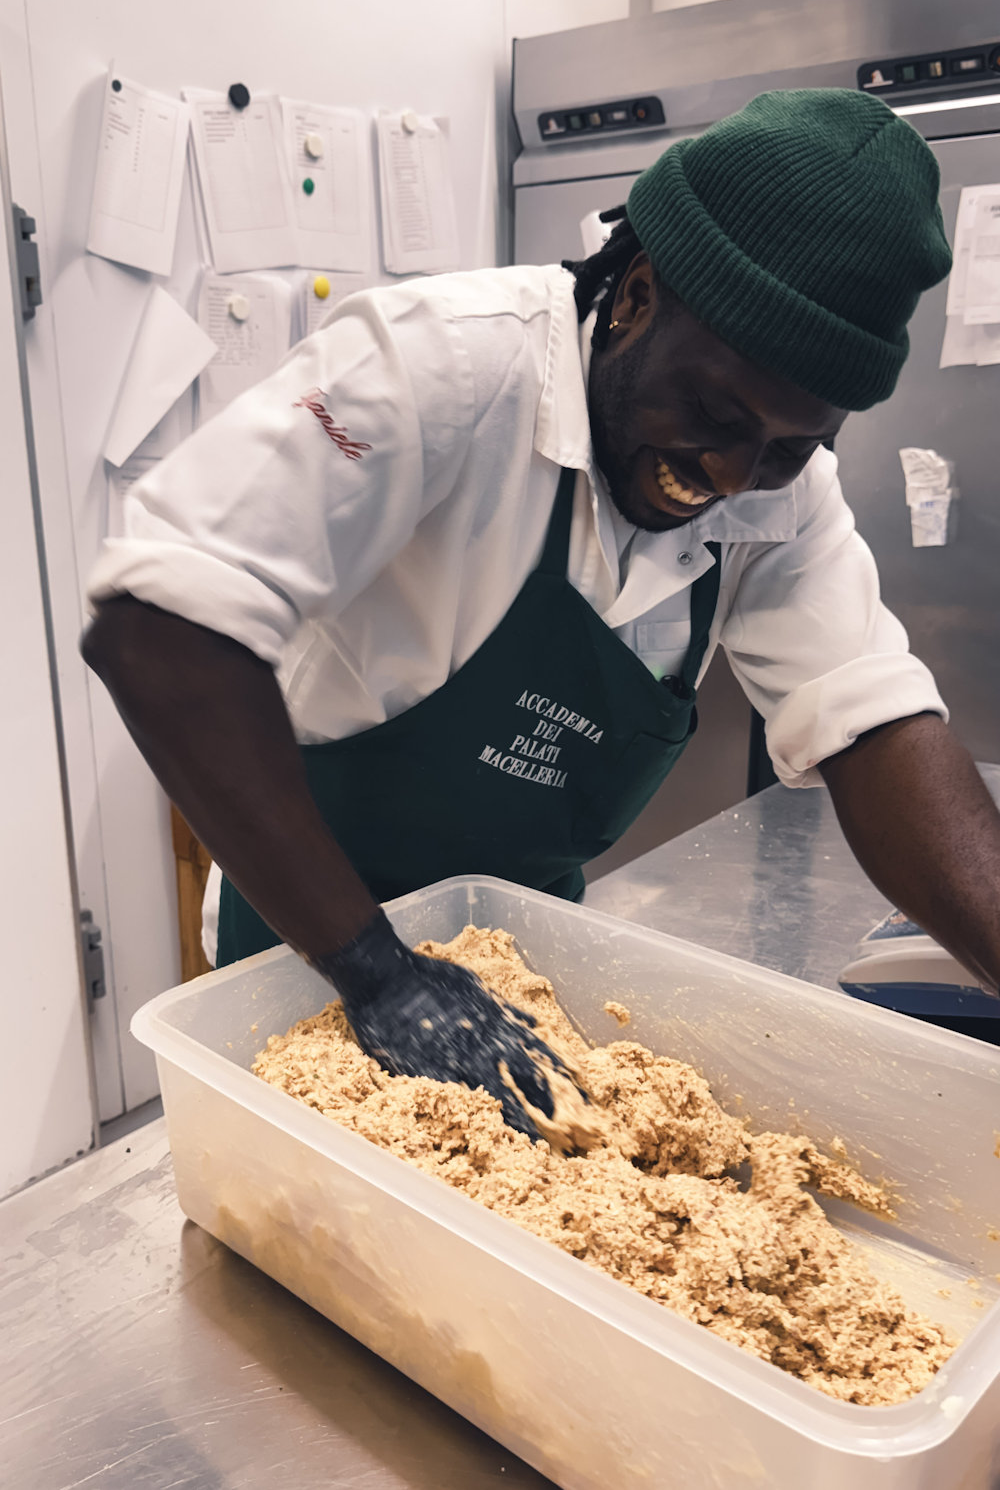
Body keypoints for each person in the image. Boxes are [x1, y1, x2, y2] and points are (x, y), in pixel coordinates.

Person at [84, 89, 1000, 1134]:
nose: (735, 473)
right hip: (310, 933)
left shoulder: (779, 493)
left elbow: (872, 718)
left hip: (516, 951)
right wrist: (377, 974)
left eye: (793, 443)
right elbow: (156, 625)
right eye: (714, 412)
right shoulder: (442, 367)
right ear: (637, 297)